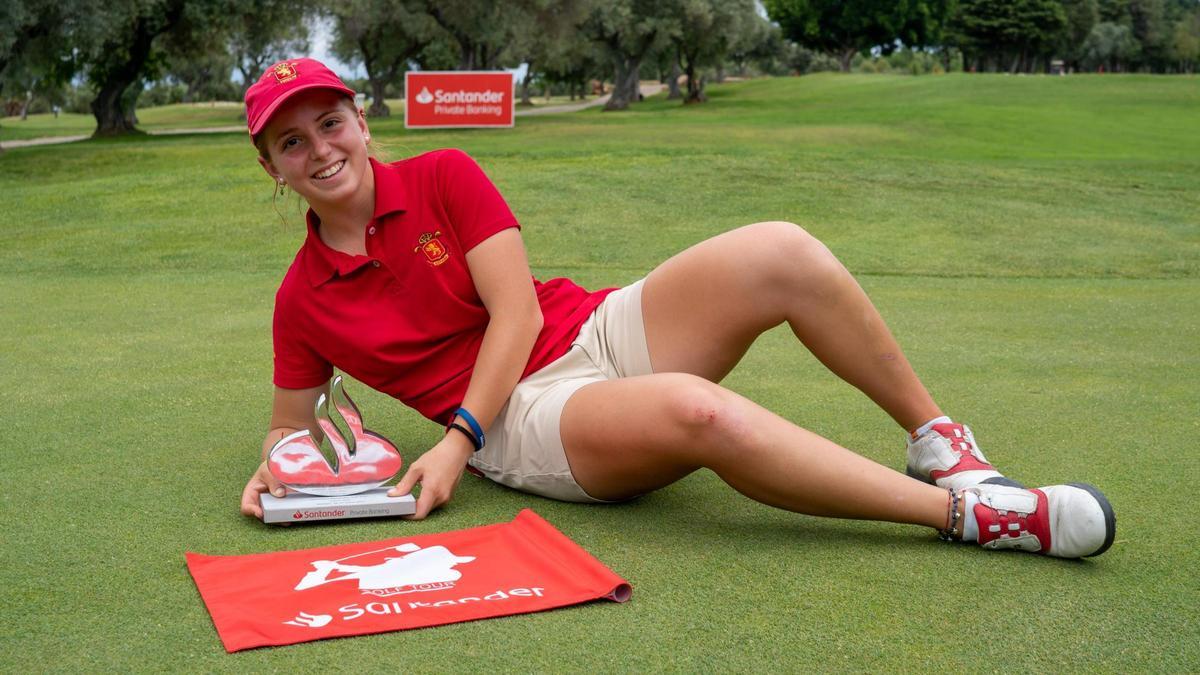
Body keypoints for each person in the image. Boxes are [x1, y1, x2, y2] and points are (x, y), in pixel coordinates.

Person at [238, 58, 1116, 559]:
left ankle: (942, 445)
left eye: (331, 122)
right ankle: (977, 516)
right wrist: (281, 472)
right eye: (292, 140)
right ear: (272, 169)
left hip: (585, 329)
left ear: (360, 119)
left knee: (782, 247)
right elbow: (293, 431)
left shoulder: (442, 175)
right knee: (699, 413)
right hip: (524, 420)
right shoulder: (300, 300)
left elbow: (518, 315)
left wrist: (449, 443)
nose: (320, 149)